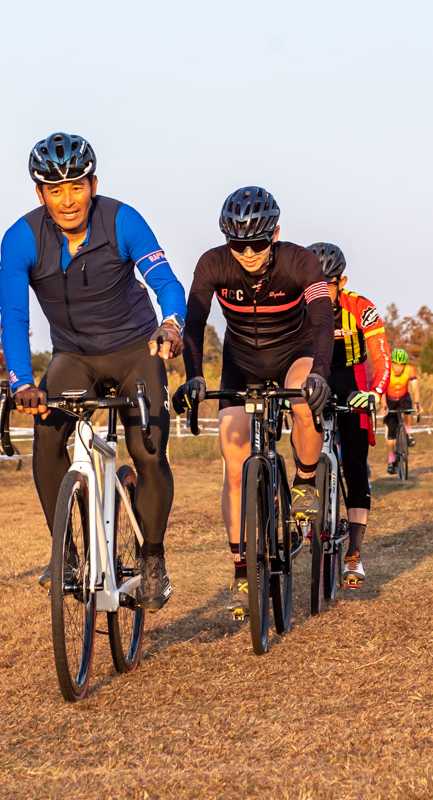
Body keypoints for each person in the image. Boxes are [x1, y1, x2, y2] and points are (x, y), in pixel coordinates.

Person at [0, 132, 187, 611]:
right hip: (73, 357)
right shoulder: (21, 238)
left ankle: (152, 561)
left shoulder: (122, 219)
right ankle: (67, 554)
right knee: (47, 434)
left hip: (136, 350)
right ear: (40, 194)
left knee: (147, 450)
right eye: (55, 190)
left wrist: (171, 323)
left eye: (76, 187)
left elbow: (164, 280)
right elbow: (15, 316)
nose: (67, 200)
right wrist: (21, 381)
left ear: (93, 184)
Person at [173, 186, 333, 619]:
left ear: (275, 234)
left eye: (257, 243)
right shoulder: (213, 264)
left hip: (293, 354)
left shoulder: (301, 262)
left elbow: (322, 322)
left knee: (304, 397)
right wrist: (193, 378)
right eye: (237, 243)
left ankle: (302, 481)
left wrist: (319, 372)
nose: (247, 252)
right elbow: (194, 323)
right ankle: (242, 569)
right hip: (241, 362)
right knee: (233, 453)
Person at [309, 242, 390, 589]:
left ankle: (354, 553)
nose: (320, 291)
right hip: (315, 377)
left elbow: (381, 358)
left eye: (327, 283)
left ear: (341, 281)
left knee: (355, 464)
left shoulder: (360, 307)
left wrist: (375, 392)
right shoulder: (301, 306)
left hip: (352, 380)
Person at [384, 349, 421, 474]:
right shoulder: (387, 370)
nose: (398, 368)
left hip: (403, 396)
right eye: (396, 364)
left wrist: (417, 403)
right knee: (391, 433)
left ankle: (409, 433)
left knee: (408, 409)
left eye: (401, 365)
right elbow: (381, 389)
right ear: (392, 363)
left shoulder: (410, 370)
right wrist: (384, 405)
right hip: (389, 399)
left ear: (405, 365)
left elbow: (415, 388)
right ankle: (391, 460)